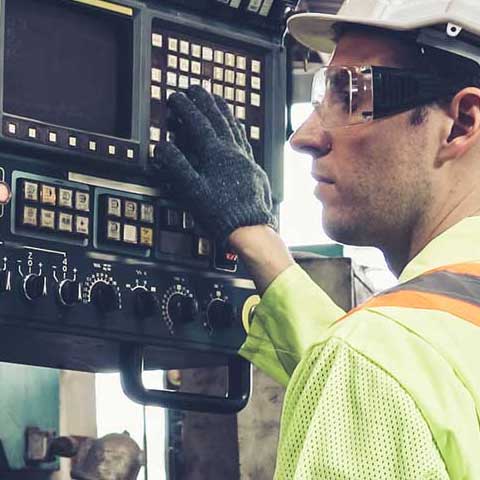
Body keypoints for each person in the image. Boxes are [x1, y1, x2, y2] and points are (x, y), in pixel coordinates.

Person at [153, 0, 480, 477]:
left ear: (461, 123)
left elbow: (380, 373)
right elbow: (413, 387)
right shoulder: (422, 353)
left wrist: (350, 360)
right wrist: (257, 240)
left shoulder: (374, 364)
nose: (303, 137)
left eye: (351, 93)